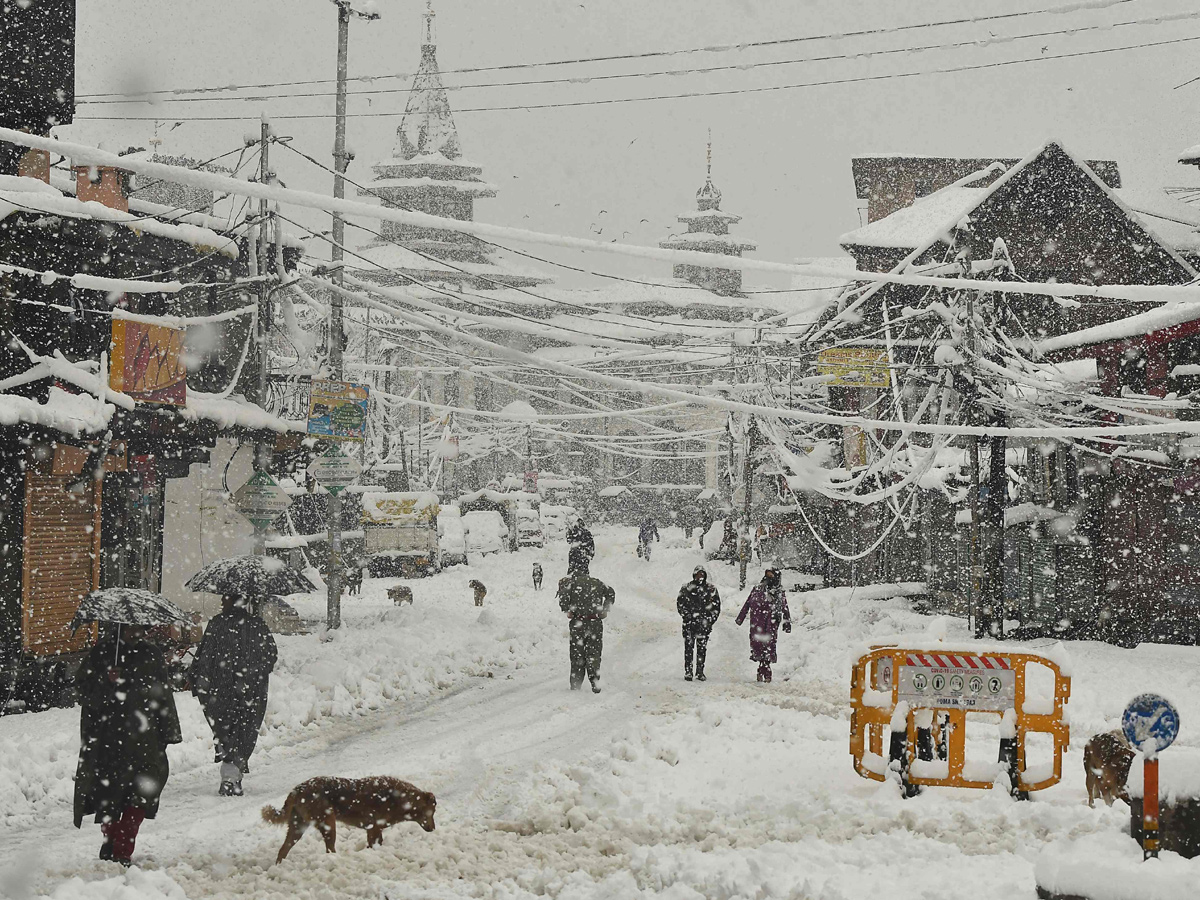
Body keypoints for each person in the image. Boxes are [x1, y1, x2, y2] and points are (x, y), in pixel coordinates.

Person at [74, 624, 182, 867]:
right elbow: (82, 688)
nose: (137, 631)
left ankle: (122, 847)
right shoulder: (103, 652)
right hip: (111, 738)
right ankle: (110, 841)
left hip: (146, 739)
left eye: (141, 627)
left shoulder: (151, 654)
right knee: (110, 794)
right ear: (121, 626)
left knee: (142, 795)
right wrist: (106, 680)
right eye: (132, 627)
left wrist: (168, 730)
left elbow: (163, 693)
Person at [191, 594, 278, 796]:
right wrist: (252, 674)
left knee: (226, 732)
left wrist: (200, 677)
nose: (222, 601)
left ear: (236, 600)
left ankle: (230, 777)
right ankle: (233, 777)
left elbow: (205, 656)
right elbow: (270, 656)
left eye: (226, 597)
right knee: (243, 732)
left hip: (222, 691)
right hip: (249, 692)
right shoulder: (256, 625)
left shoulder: (218, 624)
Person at [557, 547, 615, 693]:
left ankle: (576, 683)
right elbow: (611, 593)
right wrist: (605, 609)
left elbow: (563, 599)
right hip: (595, 622)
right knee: (594, 653)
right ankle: (595, 681)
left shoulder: (570, 583)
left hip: (578, 623)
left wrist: (567, 610)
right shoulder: (597, 582)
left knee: (577, 653)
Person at [734, 567, 792, 683]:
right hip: (758, 622)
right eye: (767, 575)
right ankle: (762, 666)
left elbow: (784, 607)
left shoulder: (779, 592)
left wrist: (787, 622)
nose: (769, 578)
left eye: (771, 576)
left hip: (772, 622)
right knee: (758, 645)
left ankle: (766, 668)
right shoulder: (758, 589)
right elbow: (748, 603)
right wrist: (740, 618)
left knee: (769, 645)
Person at [676, 565, 721, 682]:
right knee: (688, 649)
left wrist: (709, 620)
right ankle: (688, 671)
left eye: (702, 575)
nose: (700, 577)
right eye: (698, 574)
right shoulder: (686, 588)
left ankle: (700, 672)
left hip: (703, 626)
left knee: (702, 649)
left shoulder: (711, 589)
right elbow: (680, 604)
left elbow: (716, 607)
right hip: (689, 625)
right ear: (694, 575)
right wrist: (687, 617)